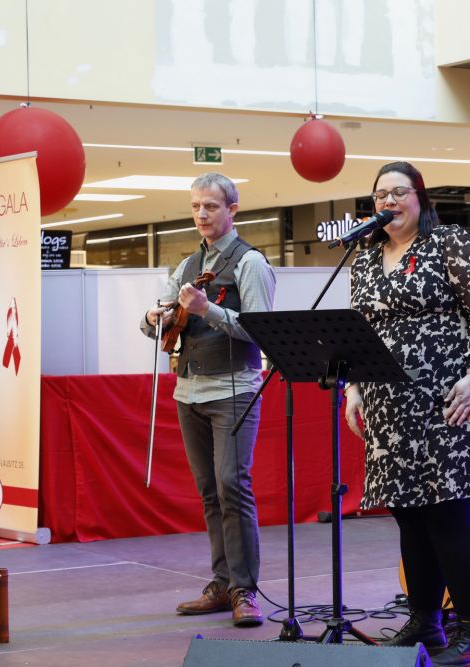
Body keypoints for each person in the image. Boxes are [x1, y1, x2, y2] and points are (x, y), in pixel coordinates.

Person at [343, 161, 470, 667]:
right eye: (380, 196)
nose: (388, 202)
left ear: (420, 198)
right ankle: (425, 621)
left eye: (399, 192)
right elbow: (358, 329)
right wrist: (353, 389)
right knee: (409, 518)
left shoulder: (448, 243)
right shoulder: (365, 258)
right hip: (388, 405)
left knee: (448, 516)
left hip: (448, 400)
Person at [141, 172, 275, 627]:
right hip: (189, 390)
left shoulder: (249, 262)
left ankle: (245, 590)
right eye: (196, 206)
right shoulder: (187, 265)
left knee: (232, 486)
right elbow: (153, 324)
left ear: (232, 210)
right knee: (210, 492)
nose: (202, 214)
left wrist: (208, 310)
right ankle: (222, 583)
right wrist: (153, 316)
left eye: (211, 206)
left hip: (233, 388)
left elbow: (260, 330)